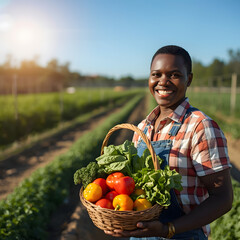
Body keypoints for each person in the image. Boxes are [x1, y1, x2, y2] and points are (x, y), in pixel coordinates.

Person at [104, 45, 233, 239]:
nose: (163, 82)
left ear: (188, 79)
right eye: (156, 74)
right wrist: (123, 221)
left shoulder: (200, 127)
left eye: (174, 75)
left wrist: (168, 229)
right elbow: (134, 190)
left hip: (183, 234)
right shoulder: (142, 128)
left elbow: (223, 198)